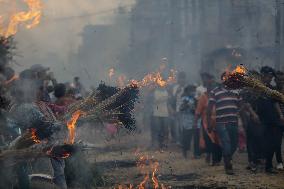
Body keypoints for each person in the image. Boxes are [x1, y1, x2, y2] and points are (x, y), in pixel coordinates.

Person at [207, 72, 242, 175]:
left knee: (234, 144)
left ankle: (227, 156)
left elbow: (241, 106)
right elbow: (209, 109)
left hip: (233, 122)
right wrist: (209, 123)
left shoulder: (236, 91)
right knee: (226, 143)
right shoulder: (215, 92)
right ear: (222, 79)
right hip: (221, 123)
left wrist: (243, 121)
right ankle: (228, 166)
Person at [255, 66, 284, 174]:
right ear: (262, 75)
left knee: (274, 143)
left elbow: (275, 102)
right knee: (262, 143)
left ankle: (268, 165)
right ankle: (263, 165)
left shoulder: (271, 88)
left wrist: (280, 115)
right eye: (268, 77)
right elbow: (250, 103)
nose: (270, 79)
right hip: (261, 120)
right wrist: (253, 115)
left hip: (273, 120)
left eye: (271, 77)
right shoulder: (256, 88)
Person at [195, 73, 222, 166]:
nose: (211, 88)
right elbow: (198, 111)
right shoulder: (203, 96)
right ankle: (211, 157)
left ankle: (217, 159)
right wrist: (195, 122)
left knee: (218, 140)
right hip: (207, 122)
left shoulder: (219, 96)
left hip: (219, 121)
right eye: (210, 86)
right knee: (210, 140)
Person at [179, 85, 200, 158]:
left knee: (196, 138)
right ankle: (185, 153)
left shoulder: (196, 99)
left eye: (194, 90)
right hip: (186, 122)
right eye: (191, 90)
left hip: (195, 122)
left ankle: (196, 154)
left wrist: (194, 109)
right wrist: (185, 105)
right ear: (187, 91)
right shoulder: (184, 99)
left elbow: (198, 110)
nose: (193, 92)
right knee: (186, 138)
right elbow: (181, 109)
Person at [152, 83, 170, 150]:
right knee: (159, 130)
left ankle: (164, 144)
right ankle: (160, 145)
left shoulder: (166, 92)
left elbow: (167, 102)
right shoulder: (156, 92)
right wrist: (165, 98)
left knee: (165, 130)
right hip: (157, 113)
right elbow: (157, 100)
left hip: (165, 113)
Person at [172, 72, 187, 144]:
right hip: (178, 110)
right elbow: (173, 100)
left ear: (185, 79)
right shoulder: (175, 87)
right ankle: (179, 140)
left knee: (184, 126)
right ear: (179, 79)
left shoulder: (187, 87)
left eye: (183, 78)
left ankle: (184, 140)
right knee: (178, 127)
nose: (182, 80)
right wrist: (177, 92)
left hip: (186, 111)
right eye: (180, 78)